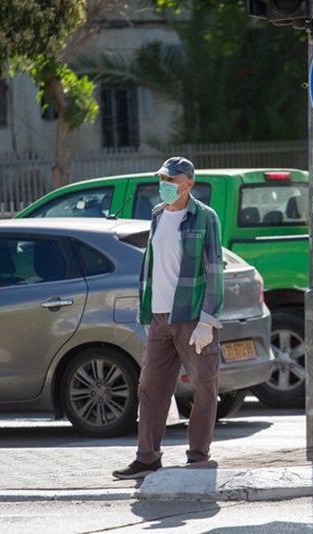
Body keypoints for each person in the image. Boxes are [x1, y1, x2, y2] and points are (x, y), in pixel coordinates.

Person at [112, 156, 224, 480]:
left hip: (191, 318)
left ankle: (198, 457)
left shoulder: (205, 218)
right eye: (162, 178)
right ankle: (147, 458)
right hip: (159, 319)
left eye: (171, 180)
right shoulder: (158, 215)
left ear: (189, 184)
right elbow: (151, 267)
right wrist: (146, 313)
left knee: (204, 386)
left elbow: (214, 270)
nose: (164, 185)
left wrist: (208, 320)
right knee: (150, 388)